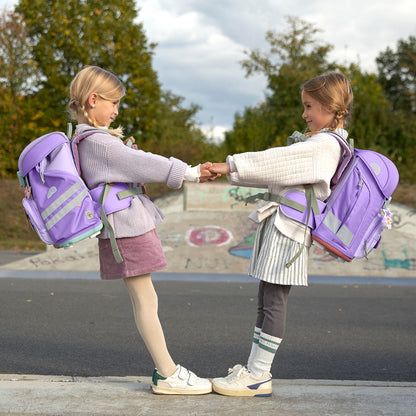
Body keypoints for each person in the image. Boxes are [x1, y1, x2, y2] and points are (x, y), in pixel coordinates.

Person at [68, 65, 218, 395]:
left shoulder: (81, 139)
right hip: (126, 228)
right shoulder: (100, 143)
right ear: (93, 100)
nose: (116, 110)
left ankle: (167, 371)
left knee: (145, 298)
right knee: (146, 299)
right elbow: (143, 164)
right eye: (113, 103)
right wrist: (189, 173)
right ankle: (167, 373)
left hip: (122, 228)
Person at [209, 71, 354, 397]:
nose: (304, 114)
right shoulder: (322, 143)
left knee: (273, 301)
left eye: (309, 106)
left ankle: (259, 374)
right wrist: (231, 169)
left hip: (289, 228)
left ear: (331, 108)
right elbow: (279, 165)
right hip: (283, 222)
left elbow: (276, 161)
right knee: (266, 299)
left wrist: (229, 165)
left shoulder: (324, 146)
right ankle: (253, 371)